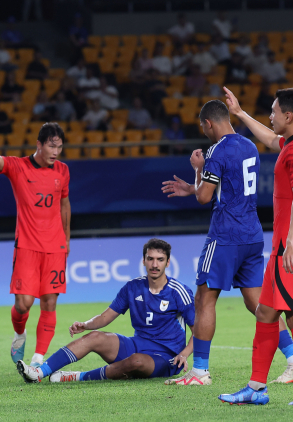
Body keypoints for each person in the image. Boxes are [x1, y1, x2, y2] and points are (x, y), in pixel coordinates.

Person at [161, 99, 293, 386]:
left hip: (224, 236)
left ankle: (200, 372)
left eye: (202, 126)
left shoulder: (215, 151)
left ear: (209, 123)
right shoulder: (249, 145)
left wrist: (198, 169)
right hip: (252, 235)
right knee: (260, 304)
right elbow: (227, 184)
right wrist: (193, 186)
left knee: (204, 298)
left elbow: (205, 197)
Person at [17, 239, 195, 384]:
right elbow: (106, 316)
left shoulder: (179, 292)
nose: (154, 264)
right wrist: (85, 325)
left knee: (136, 362)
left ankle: (77, 376)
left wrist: (184, 354)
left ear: (168, 262)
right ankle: (39, 372)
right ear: (143, 260)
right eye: (150, 259)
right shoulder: (132, 288)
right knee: (95, 337)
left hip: (167, 356)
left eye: (160, 259)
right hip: (137, 344)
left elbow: (199, 331)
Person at [217, 88, 293, 404]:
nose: (270, 117)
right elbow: (271, 140)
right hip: (282, 245)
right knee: (271, 313)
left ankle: (257, 388)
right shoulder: (287, 145)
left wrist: (291, 240)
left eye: (274, 112)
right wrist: (240, 114)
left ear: (289, 116)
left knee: (272, 313)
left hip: (287, 248)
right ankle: (257, 388)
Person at [0, 121, 71, 368]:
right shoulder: (18, 166)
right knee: (23, 305)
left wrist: (66, 239)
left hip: (54, 247)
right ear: (39, 144)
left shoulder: (62, 171)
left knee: (49, 302)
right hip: (27, 247)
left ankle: (38, 359)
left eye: (59, 147)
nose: (55, 152)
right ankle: (20, 334)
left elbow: (64, 204)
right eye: (51, 146)